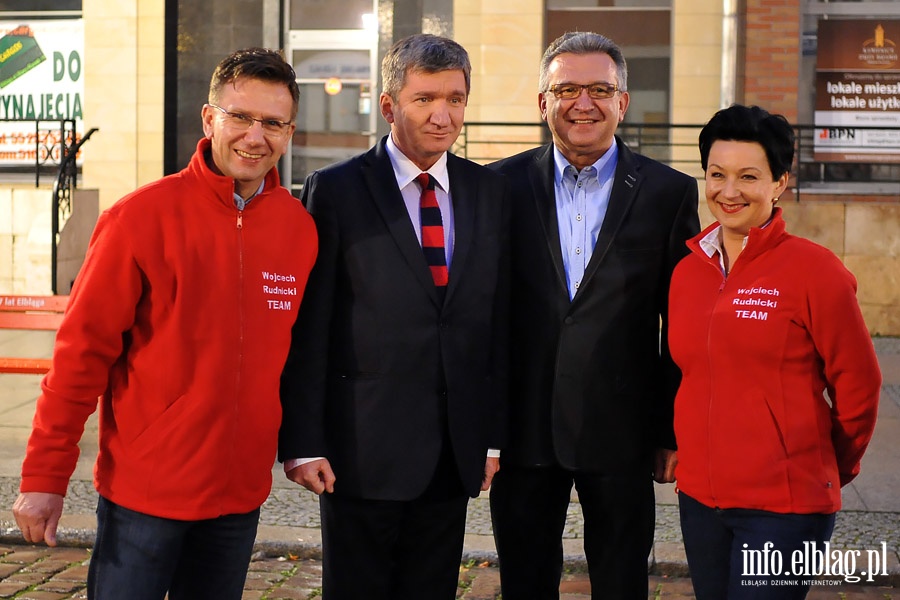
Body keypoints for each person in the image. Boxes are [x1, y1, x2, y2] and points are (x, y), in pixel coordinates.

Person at [12, 48, 318, 600]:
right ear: (209, 119)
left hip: (239, 497)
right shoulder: (138, 219)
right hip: (146, 495)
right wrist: (43, 477)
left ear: (289, 131)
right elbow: (81, 357)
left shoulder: (299, 230)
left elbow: (295, 358)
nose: (255, 136)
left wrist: (303, 445)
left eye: (272, 123)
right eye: (240, 116)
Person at [277, 33, 509, 599]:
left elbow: (496, 323)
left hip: (452, 453)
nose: (442, 115)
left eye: (455, 99)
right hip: (361, 451)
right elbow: (312, 326)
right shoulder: (335, 190)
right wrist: (303, 442)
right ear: (388, 105)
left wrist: (492, 437)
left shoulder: (489, 190)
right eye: (425, 98)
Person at [487, 31, 700, 599]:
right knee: (525, 580)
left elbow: (676, 322)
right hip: (523, 430)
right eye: (568, 89)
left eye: (601, 89)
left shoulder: (669, 193)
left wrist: (669, 429)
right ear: (542, 102)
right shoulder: (495, 186)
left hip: (623, 429)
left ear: (623, 102)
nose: (585, 103)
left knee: (622, 578)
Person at [669, 103, 881, 599]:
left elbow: (860, 384)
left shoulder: (815, 272)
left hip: (786, 509)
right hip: (701, 500)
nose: (728, 191)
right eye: (716, 174)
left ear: (780, 182)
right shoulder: (687, 272)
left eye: (748, 176)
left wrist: (829, 465)